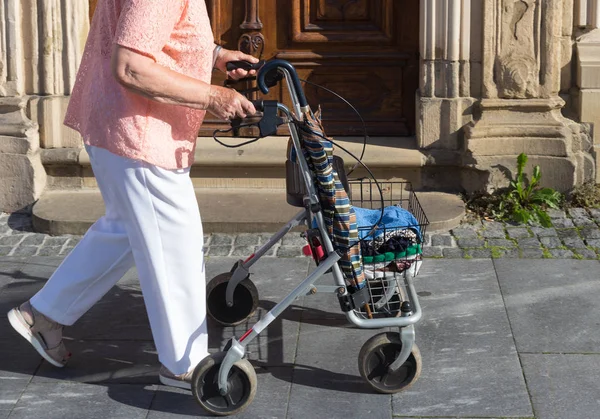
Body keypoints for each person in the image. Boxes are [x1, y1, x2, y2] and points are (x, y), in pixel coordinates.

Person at [7, 0, 258, 390]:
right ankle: (185, 365)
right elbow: (131, 66)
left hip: (121, 125)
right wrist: (214, 96)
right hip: (139, 133)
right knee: (174, 244)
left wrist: (215, 54)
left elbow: (145, 33)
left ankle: (43, 315)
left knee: (126, 229)